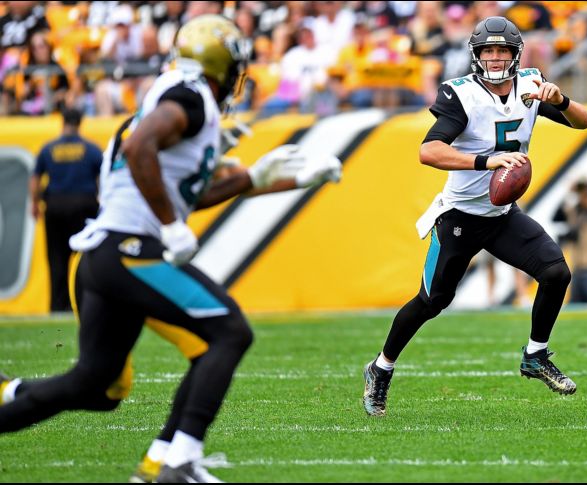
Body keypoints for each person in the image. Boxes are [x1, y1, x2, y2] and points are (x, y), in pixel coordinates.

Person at [0, 15, 342, 483]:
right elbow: (141, 147)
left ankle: (153, 460)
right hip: (129, 250)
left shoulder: (173, 96)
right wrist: (170, 226)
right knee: (228, 332)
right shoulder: (189, 97)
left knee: (97, 385)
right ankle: (177, 463)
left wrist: (275, 179)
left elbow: (188, 193)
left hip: (106, 256)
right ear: (221, 67)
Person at [361, 16, 587, 417]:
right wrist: (487, 161)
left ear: (516, 55)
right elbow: (428, 151)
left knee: (556, 273)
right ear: (477, 55)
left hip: (501, 215)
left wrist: (560, 101)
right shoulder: (463, 94)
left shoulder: (531, 86)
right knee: (432, 301)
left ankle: (535, 355)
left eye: (503, 50)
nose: (496, 57)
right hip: (460, 216)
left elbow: (584, 121)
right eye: (489, 50)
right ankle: (381, 367)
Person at [30, 107, 102, 312]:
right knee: (85, 258)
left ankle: (58, 307)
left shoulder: (48, 148)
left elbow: (35, 178)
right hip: (84, 206)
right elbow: (102, 179)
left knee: (56, 259)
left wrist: (34, 203)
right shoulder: (91, 149)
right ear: (79, 123)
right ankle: (84, 303)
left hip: (55, 206)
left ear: (63, 123)